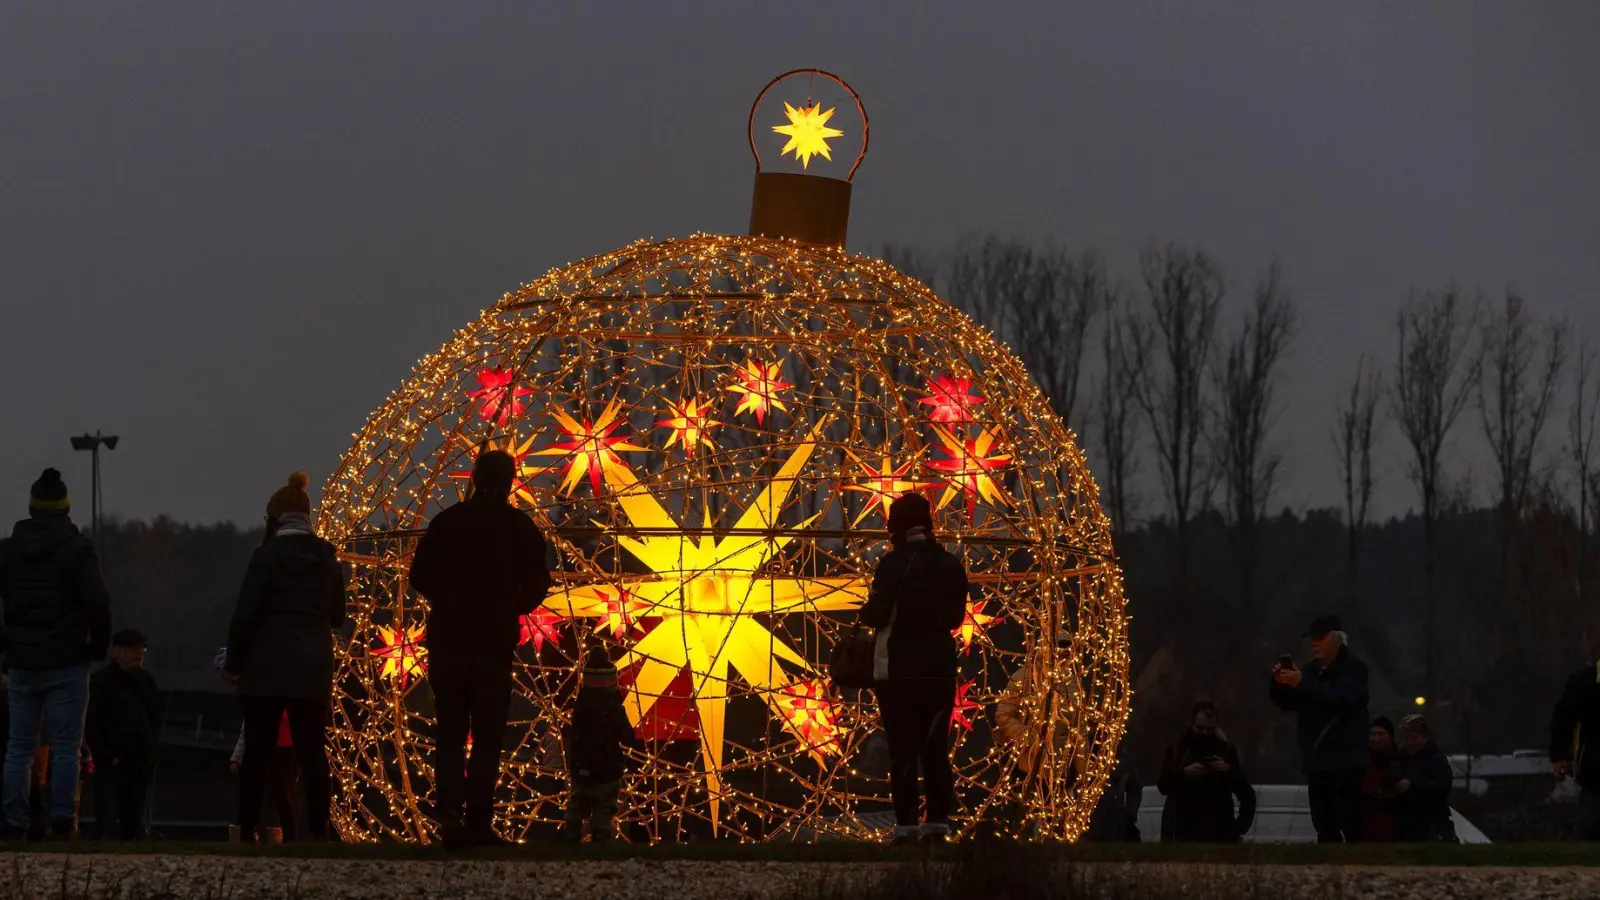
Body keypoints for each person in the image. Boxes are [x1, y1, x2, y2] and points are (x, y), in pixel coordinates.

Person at [409, 450, 551, 849]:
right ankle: (478, 823)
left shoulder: (446, 522)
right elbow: (540, 579)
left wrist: (449, 598)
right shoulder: (517, 526)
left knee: (451, 734)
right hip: (492, 645)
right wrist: (512, 604)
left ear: (473, 479)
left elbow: (419, 575)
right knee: (488, 739)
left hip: (448, 644)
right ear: (509, 482)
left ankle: (450, 816)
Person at [224, 472, 346, 843]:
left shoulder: (266, 556)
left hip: (268, 665)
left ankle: (247, 827)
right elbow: (337, 615)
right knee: (312, 752)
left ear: (275, 519)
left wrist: (235, 662)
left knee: (258, 752)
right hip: (312, 665)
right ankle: (318, 829)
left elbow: (245, 614)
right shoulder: (327, 558)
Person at [0, 469, 112, 841]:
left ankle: (14, 821)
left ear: (31, 506)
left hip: (22, 661)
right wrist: (96, 646)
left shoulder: (10, 550)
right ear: (65, 508)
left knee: (19, 746)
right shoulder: (78, 549)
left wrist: (7, 644)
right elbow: (97, 601)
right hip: (67, 658)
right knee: (66, 745)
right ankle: (64, 821)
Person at [857, 493, 968, 845]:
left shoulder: (894, 564)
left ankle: (905, 826)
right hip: (941, 670)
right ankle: (937, 824)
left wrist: (868, 612)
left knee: (903, 750)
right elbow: (954, 619)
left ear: (897, 526)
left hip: (901, 670)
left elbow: (876, 614)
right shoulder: (952, 565)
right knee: (935, 750)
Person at [1269, 614, 1370, 842]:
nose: (1314, 643)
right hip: (1317, 757)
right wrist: (1280, 683)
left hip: (1346, 758)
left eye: (1320, 638)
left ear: (1337, 640)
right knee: (1323, 822)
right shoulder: (1309, 672)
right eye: (1312, 638)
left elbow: (1342, 698)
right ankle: (1330, 868)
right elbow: (1288, 703)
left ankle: (1361, 864)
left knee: (1350, 818)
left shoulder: (1355, 669)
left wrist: (1301, 684)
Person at [86, 629, 160, 840]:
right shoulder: (101, 681)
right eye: (133, 649)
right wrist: (105, 754)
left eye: (142, 649)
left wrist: (150, 749)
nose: (139, 653)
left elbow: (154, 719)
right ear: (118, 651)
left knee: (133, 816)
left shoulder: (146, 681)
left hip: (139, 756)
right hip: (111, 757)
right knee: (107, 816)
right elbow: (92, 722)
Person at [560, 651, 639, 843]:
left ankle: (571, 832)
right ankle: (600, 834)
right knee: (604, 804)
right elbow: (626, 735)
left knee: (578, 801)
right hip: (608, 766)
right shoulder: (613, 708)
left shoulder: (580, 707)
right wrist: (631, 736)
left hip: (582, 765)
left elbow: (571, 734)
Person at [1156, 701, 1256, 843]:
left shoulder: (1225, 751)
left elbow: (1246, 793)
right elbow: (1163, 785)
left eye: (1209, 729)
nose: (1204, 733)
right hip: (1181, 831)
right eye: (1200, 728)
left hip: (1218, 832)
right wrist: (1184, 774)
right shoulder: (1177, 751)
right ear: (1191, 724)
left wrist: (1238, 828)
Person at [1550, 624, 1600, 840]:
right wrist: (1560, 755)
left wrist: (1560, 755)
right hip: (1594, 767)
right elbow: (1563, 720)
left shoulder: (1582, 682)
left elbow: (1562, 720)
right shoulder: (1582, 683)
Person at [229, 710, 298, 841]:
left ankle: (287, 835)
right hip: (273, 746)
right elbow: (247, 732)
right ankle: (262, 833)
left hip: (284, 749)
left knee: (281, 793)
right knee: (269, 793)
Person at [1387, 714, 1455, 842]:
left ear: (1424, 737)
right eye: (1406, 737)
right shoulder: (1400, 760)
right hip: (1405, 824)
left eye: (1414, 738)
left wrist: (1413, 785)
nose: (1409, 742)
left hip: (1433, 823)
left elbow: (1443, 787)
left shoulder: (1437, 760)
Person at [1085, 748, 1143, 842]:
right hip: (1091, 823)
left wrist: (1129, 815)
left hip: (1116, 822)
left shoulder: (1122, 758)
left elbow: (1135, 788)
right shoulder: (1086, 756)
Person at [1361, 716, 1399, 843]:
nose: (1377, 738)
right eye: (1373, 734)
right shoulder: (1362, 761)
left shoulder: (1400, 761)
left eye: (1381, 734)